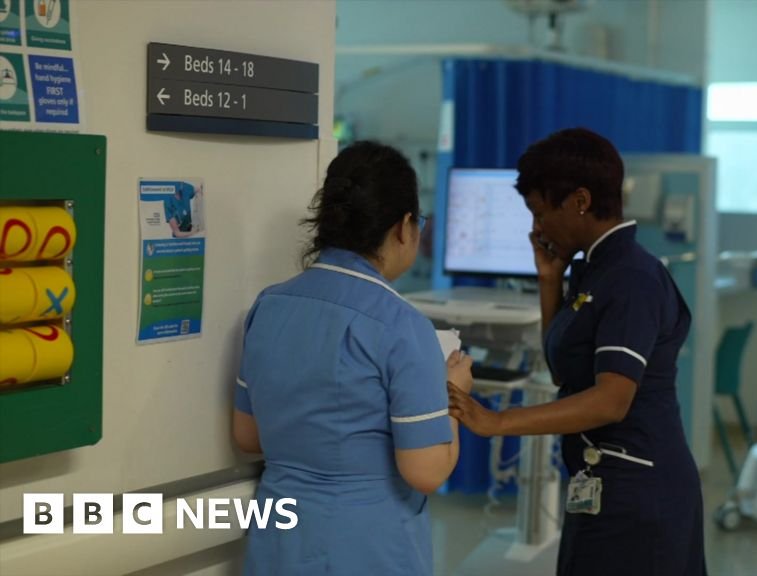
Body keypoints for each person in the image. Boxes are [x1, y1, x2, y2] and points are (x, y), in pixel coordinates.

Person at [448, 128, 707, 575]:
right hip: (602, 484)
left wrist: (497, 422)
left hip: (639, 493)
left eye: (540, 212)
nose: (537, 228)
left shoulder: (631, 278)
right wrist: (549, 281)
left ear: (580, 201)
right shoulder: (592, 269)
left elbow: (611, 400)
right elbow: (564, 374)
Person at [231, 141, 474, 575]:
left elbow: (248, 436)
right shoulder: (402, 326)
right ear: (404, 227)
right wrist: (453, 393)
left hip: (278, 536)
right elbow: (426, 472)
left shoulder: (269, 306)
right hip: (365, 542)